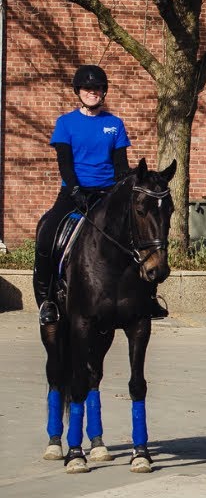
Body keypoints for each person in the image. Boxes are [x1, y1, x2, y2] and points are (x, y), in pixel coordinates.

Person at [34, 65, 168, 325]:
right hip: (73, 193)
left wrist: (131, 181)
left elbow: (119, 166)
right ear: (79, 92)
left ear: (103, 92)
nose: (93, 93)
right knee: (47, 235)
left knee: (138, 237)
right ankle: (48, 300)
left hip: (107, 194)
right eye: (88, 89)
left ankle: (148, 297)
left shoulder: (114, 124)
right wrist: (74, 190)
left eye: (97, 89)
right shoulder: (66, 123)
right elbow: (65, 164)